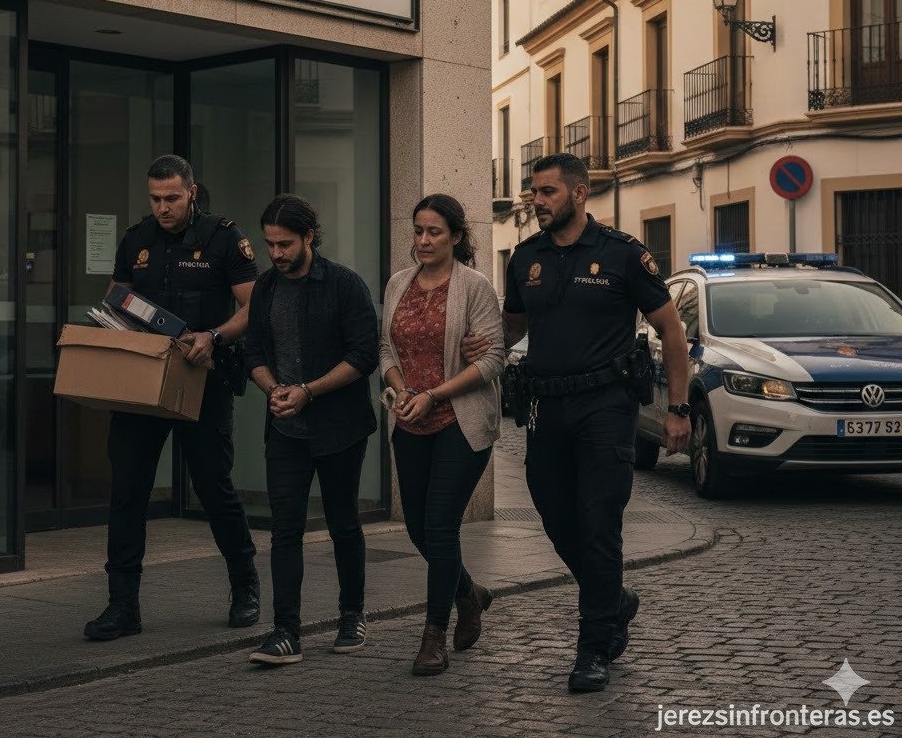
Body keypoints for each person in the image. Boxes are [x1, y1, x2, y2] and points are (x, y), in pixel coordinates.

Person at [467, 152, 690, 693]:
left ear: (578, 192)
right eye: (534, 194)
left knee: (598, 524)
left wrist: (679, 409)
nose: (536, 202)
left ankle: (594, 647)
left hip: (606, 408)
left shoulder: (622, 256)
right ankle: (613, 597)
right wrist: (485, 342)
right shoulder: (525, 257)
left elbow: (672, 330)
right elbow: (514, 324)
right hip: (546, 408)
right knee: (553, 514)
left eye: (546, 193)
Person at [84, 155, 260, 642]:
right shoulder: (137, 237)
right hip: (144, 381)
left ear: (192, 192)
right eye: (155, 198)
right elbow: (116, 297)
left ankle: (245, 585)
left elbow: (254, 306)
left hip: (204, 378)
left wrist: (215, 337)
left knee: (213, 486)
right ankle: (123, 607)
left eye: (172, 198)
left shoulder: (224, 237)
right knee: (128, 490)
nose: (163, 207)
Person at [243, 194, 379, 666]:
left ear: (309, 238)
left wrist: (308, 390)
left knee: (343, 523)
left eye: (284, 244)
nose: (276, 254)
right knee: (285, 529)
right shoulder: (264, 288)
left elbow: (364, 356)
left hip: (340, 427)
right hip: (285, 429)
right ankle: (285, 632)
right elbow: (253, 351)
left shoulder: (344, 285)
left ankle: (351, 615)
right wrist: (274, 389)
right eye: (269, 245)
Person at [380, 195, 505, 676]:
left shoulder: (474, 287)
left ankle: (433, 636)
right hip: (409, 418)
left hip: (460, 420)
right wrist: (402, 388)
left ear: (455, 235)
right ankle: (469, 594)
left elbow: (492, 359)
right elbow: (384, 347)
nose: (424, 240)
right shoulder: (398, 284)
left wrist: (435, 394)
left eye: (434, 231)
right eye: (418, 231)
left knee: (439, 526)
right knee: (416, 527)